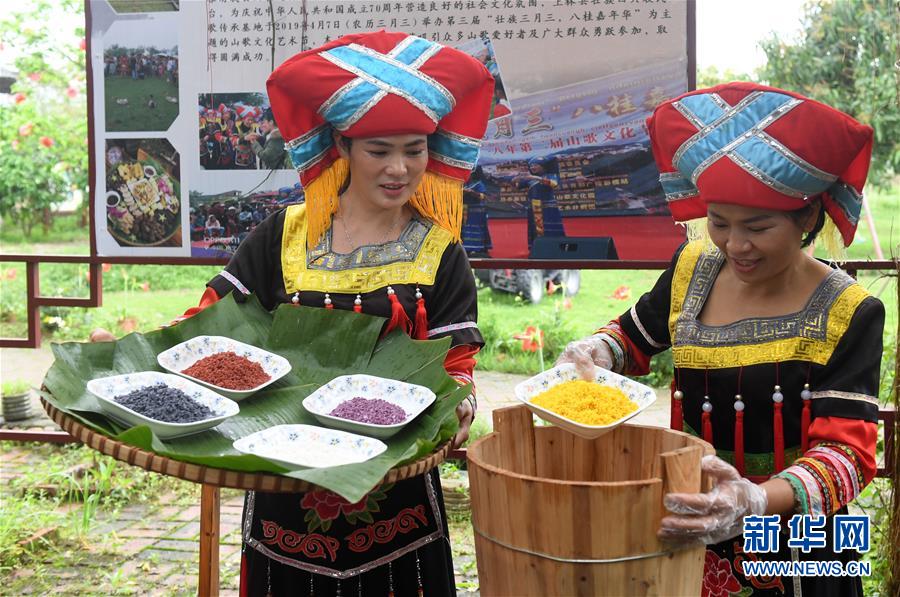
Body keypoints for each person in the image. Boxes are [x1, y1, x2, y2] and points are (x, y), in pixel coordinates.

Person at [93, 31, 493, 595]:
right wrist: (131, 356)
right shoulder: (282, 234)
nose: (400, 168)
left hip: (394, 490)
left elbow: (456, 364)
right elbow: (209, 326)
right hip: (282, 476)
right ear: (341, 148)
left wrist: (460, 404)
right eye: (379, 151)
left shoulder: (440, 251)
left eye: (414, 149)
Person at [557, 82, 881, 596]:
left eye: (758, 227)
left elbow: (847, 455)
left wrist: (755, 500)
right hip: (696, 523)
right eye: (719, 223)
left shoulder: (848, 311)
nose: (735, 245)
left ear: (806, 217)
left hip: (798, 546)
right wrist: (597, 350)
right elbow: (633, 334)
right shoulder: (694, 268)